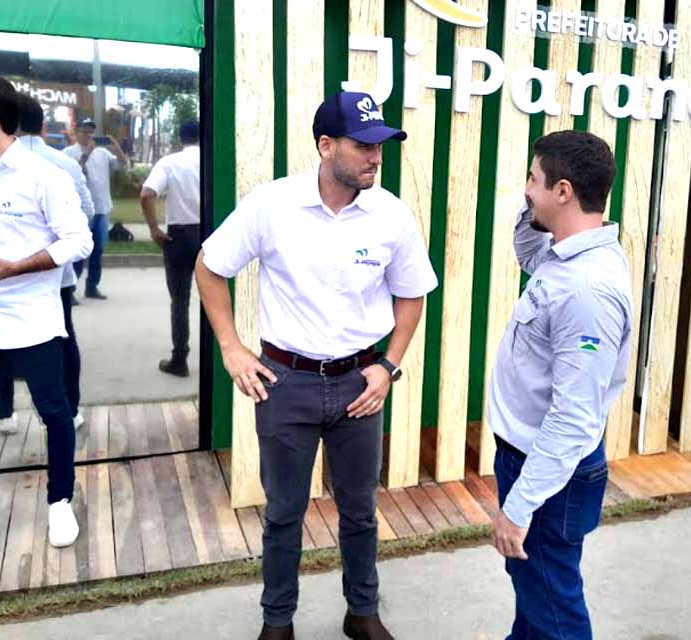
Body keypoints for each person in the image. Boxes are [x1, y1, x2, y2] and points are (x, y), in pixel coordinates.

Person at [195, 91, 437, 640]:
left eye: (381, 145)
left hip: (359, 383)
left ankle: (362, 613)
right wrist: (232, 348)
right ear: (326, 146)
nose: (376, 157)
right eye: (363, 145)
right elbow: (209, 266)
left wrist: (388, 367)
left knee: (359, 511)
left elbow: (412, 294)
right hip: (286, 383)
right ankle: (277, 622)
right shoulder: (272, 205)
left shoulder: (391, 215)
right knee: (283, 514)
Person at [487, 130, 632, 640]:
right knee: (536, 590)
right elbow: (527, 251)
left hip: (549, 474)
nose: (525, 188)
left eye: (533, 178)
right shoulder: (565, 253)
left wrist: (519, 508)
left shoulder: (586, 290)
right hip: (533, 461)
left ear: (564, 191)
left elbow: (573, 418)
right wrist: (531, 203)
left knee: (553, 605)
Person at [0, 74, 93, 561]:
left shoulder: (43, 174)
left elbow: (79, 240)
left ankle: (60, 501)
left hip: (32, 319)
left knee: (54, 413)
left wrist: (18, 267)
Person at [0, 94, 96, 435]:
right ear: (43, 126)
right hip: (56, 272)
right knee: (63, 338)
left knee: (1, 339)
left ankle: (5, 413)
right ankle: (72, 409)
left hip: (0, 272)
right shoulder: (63, 163)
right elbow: (88, 212)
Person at [140, 119, 200, 377]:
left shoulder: (171, 162)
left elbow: (147, 193)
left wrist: (154, 229)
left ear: (180, 138)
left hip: (180, 235)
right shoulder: (213, 159)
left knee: (180, 301)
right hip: (211, 233)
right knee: (216, 299)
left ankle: (180, 359)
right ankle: (218, 360)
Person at [63, 117, 127, 299]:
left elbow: (122, 165)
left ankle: (92, 287)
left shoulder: (103, 153)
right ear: (77, 133)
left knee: (97, 251)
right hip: (80, 211)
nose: (88, 135)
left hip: (101, 209)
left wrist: (117, 148)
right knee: (78, 252)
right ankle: (70, 290)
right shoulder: (68, 153)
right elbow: (73, 175)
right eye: (84, 131)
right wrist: (86, 155)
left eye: (91, 132)